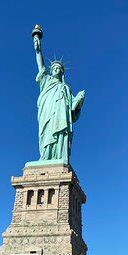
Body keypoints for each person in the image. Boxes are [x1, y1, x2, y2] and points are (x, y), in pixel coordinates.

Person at [33, 33, 85, 164]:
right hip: (47, 113)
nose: (56, 69)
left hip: (61, 116)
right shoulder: (46, 80)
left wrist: (79, 100)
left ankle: (59, 157)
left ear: (62, 72)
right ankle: (46, 156)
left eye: (59, 68)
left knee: (61, 132)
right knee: (47, 133)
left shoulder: (66, 88)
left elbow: (72, 109)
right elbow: (41, 65)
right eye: (54, 68)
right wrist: (38, 49)